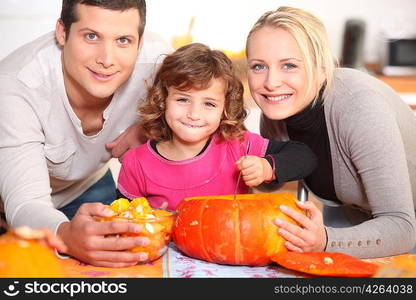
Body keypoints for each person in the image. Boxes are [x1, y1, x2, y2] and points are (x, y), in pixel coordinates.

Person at [0, 0, 172, 267]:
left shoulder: (159, 61)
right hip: (12, 205)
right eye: (91, 36)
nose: (106, 59)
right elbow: (24, 204)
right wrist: (67, 236)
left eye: (123, 40)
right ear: (62, 32)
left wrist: (154, 123)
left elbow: (204, 102)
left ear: (140, 42)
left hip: (87, 185)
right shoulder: (15, 85)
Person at [246, 6, 416, 258]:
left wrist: (327, 239)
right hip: (356, 219)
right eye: (259, 66)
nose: (271, 83)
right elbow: (273, 181)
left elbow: (402, 228)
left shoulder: (360, 107)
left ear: (322, 68)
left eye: (289, 65)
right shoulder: (277, 109)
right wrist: (244, 156)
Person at [116, 43, 317, 209]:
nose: (194, 114)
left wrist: (267, 167)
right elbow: (124, 221)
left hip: (227, 252)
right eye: (183, 100)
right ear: (163, 100)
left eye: (209, 104)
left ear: (225, 108)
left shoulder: (238, 146)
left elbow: (305, 156)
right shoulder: (136, 163)